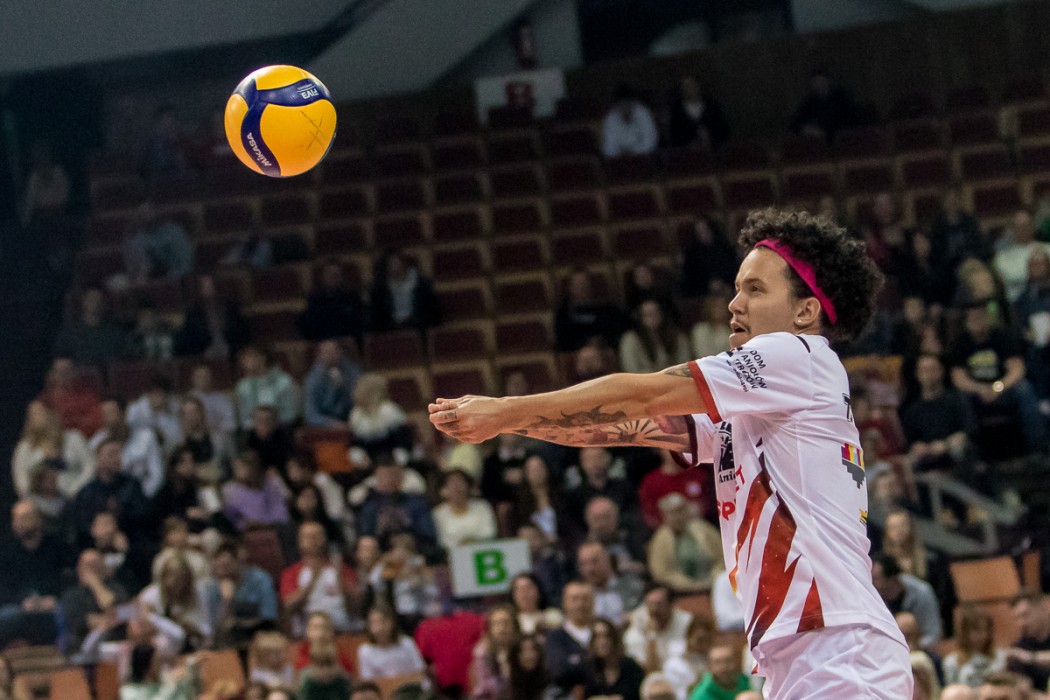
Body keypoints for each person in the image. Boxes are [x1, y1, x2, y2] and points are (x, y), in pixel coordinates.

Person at [429, 208, 910, 698]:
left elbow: (645, 394)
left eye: (755, 290)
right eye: (737, 288)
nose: (734, 304)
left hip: (837, 646)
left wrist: (506, 411)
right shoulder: (762, 404)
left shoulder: (796, 355)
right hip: (806, 648)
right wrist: (508, 423)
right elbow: (620, 425)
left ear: (804, 312)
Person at [950, 302, 1046, 453]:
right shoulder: (961, 344)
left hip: (1004, 390)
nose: (977, 322)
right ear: (966, 322)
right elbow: (958, 378)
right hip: (976, 393)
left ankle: (1038, 446)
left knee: (1024, 389)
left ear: (987, 318)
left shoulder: (1002, 337)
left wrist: (998, 387)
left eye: (980, 317)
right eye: (973, 318)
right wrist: (980, 389)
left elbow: (1017, 369)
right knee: (960, 398)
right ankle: (974, 451)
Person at [0, 501, 71, 646]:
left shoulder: (57, 547)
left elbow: (68, 577)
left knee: (69, 613)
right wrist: (22, 602)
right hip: (17, 605)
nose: (19, 523)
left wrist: (53, 599)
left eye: (24, 517)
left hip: (53, 602)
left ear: (38, 520)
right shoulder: (5, 550)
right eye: (15, 518)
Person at [900, 353, 976, 477]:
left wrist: (945, 444)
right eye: (924, 370)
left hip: (951, 452)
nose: (928, 374)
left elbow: (968, 430)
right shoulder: (913, 409)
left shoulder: (956, 400)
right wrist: (919, 447)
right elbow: (910, 441)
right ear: (917, 374)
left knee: (960, 448)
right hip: (926, 457)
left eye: (932, 369)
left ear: (941, 372)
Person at [280, 522, 358, 636]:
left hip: (344, 632)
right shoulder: (292, 572)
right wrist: (312, 580)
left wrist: (340, 580)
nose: (313, 540)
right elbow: (289, 606)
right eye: (308, 536)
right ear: (300, 541)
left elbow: (357, 606)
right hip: (307, 636)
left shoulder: (341, 569)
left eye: (317, 535)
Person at [13, 399, 95, 499]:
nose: (35, 418)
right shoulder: (25, 446)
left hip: (74, 495)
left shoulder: (74, 438)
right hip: (39, 500)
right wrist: (30, 497)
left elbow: (90, 467)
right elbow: (20, 478)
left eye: (39, 413)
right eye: (32, 415)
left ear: (51, 413)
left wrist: (75, 489)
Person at [74, 438, 151, 540]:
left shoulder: (132, 486)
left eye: (119, 454)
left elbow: (142, 518)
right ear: (98, 458)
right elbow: (82, 524)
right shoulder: (87, 493)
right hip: (94, 542)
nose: (116, 459)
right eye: (111, 454)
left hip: (128, 540)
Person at [207, 542, 279, 649]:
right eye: (219, 567)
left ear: (238, 562)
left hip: (261, 635)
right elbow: (218, 629)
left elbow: (269, 617)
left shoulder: (260, 579)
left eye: (226, 566)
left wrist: (238, 623)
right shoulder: (215, 588)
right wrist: (227, 601)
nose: (222, 572)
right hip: (232, 642)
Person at [648, 494, 723, 594]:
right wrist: (690, 585)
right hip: (679, 593)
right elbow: (661, 573)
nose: (677, 517)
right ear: (664, 516)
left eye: (680, 511)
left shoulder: (704, 530)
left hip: (714, 585)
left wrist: (714, 578)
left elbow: (721, 558)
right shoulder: (660, 539)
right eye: (671, 513)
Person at [60, 549, 129, 657]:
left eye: (95, 565)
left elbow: (122, 615)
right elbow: (80, 622)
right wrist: (108, 619)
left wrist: (96, 585)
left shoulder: (117, 589)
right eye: (87, 566)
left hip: (114, 645)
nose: (91, 571)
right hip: (81, 647)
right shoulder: (71, 595)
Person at [137, 554, 214, 651]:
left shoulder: (198, 593)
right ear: (164, 576)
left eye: (180, 578)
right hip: (161, 646)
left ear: (187, 578)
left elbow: (206, 629)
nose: (175, 581)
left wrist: (194, 630)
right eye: (171, 575)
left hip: (194, 644)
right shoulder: (149, 596)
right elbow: (142, 626)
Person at [871, 556, 943, 649]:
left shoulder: (921, 593)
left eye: (875, 579)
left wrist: (912, 647)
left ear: (891, 578)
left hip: (919, 649)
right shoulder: (870, 596)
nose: (871, 583)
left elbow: (933, 634)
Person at [174, 273, 250, 359]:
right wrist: (203, 353)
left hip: (233, 351)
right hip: (205, 354)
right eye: (204, 286)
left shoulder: (231, 307)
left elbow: (241, 332)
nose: (207, 288)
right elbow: (191, 339)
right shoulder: (194, 313)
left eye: (210, 285)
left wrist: (235, 350)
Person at [624, 585, 693, 673]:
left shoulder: (686, 623)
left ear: (671, 605)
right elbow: (648, 669)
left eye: (659, 604)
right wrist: (652, 635)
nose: (654, 609)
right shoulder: (638, 625)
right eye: (650, 604)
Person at [554, 269, 626, 353]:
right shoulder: (563, 313)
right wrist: (586, 343)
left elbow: (618, 331)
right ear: (571, 288)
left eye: (584, 283)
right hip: (578, 352)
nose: (582, 287)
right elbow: (563, 341)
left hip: (606, 349)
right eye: (578, 284)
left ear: (590, 284)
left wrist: (602, 341)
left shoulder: (607, 309)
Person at [370, 250, 441, 333]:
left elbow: (431, 311)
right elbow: (377, 315)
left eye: (396, 262)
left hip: (418, 327)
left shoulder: (422, 284)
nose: (394, 266)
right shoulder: (380, 289)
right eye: (390, 264)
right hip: (390, 329)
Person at [52, 288, 128, 367]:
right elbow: (61, 361)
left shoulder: (115, 333)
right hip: (79, 373)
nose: (95, 303)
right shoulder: (69, 333)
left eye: (98, 299)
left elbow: (124, 361)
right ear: (83, 301)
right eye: (91, 299)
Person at [123, 203, 195, 284]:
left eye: (150, 211)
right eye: (143, 212)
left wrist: (173, 279)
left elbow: (186, 264)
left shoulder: (175, 232)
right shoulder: (135, 239)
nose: (148, 215)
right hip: (148, 284)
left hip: (179, 281)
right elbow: (136, 271)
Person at [638, 450, 712, 530]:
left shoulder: (699, 476)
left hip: (699, 529)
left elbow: (709, 506)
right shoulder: (651, 482)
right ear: (660, 450)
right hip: (666, 532)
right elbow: (650, 517)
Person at [299, 259, 368, 343]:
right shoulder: (315, 300)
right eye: (329, 274)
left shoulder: (352, 298)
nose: (333, 277)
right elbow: (313, 326)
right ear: (323, 277)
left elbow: (358, 324)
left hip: (349, 342)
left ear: (341, 277)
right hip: (323, 341)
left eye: (336, 274)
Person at [545, 581, 597, 692]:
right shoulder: (556, 637)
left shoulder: (602, 631)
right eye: (574, 599)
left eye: (585, 599)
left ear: (593, 602)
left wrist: (578, 661)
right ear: (564, 603)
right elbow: (560, 671)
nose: (580, 605)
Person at [576, 542, 644, 625]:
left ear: (607, 560)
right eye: (583, 564)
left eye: (594, 562)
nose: (590, 569)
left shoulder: (632, 587)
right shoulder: (579, 597)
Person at [221, 450, 290, 532]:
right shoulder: (229, 490)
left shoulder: (273, 483)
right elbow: (232, 519)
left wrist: (262, 524)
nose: (240, 472)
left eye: (247, 466)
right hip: (248, 533)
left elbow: (282, 515)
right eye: (238, 468)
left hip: (276, 530)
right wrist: (245, 524)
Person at [619, 299, 693, 375]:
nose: (652, 317)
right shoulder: (630, 340)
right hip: (643, 380)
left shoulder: (678, 337)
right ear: (639, 317)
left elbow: (685, 366)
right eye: (647, 315)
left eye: (655, 313)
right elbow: (631, 370)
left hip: (674, 380)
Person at [348, 374, 412, 460]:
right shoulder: (356, 415)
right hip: (369, 462)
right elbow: (357, 444)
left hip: (393, 460)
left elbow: (403, 441)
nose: (354, 393)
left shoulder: (389, 411)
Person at [235, 346, 301, 429]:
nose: (244, 363)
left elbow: (290, 413)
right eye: (243, 359)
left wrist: (269, 424)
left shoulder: (284, 381)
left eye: (248, 358)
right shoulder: (242, 386)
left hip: (283, 428)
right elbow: (244, 418)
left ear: (262, 358)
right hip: (254, 431)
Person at [37, 357, 104, 438]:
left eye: (66, 372)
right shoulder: (44, 400)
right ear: (52, 375)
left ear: (74, 373)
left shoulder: (86, 397)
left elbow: (94, 422)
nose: (63, 376)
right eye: (59, 372)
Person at [433, 468, 497, 551]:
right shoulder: (438, 513)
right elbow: (442, 540)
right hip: (451, 553)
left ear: (468, 486)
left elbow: (489, 532)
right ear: (443, 491)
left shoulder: (482, 506)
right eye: (451, 483)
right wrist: (460, 544)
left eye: (460, 482)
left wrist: (472, 541)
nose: (456, 487)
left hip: (482, 551)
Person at [357, 605, 426, 681]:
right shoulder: (365, 651)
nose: (379, 628)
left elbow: (420, 670)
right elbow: (369, 681)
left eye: (383, 622)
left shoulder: (407, 643)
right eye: (374, 623)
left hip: (410, 685)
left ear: (391, 622)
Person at [994, 209, 1050, 303]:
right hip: (1016, 304)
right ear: (1012, 228)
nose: (1023, 229)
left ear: (1033, 225)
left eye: (1026, 225)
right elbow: (1008, 278)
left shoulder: (1048, 249)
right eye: (1019, 226)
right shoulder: (1002, 257)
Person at [303, 340, 363, 427]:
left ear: (341, 352)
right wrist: (332, 423)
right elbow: (311, 415)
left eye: (335, 351)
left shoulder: (353, 372)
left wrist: (343, 388)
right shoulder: (312, 380)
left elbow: (361, 404)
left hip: (354, 422)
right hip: (326, 426)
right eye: (326, 353)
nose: (331, 356)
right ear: (319, 356)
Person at [584, 617, 646, 700]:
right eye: (597, 637)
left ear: (614, 638)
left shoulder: (631, 667)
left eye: (606, 636)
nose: (602, 641)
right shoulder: (589, 669)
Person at [944, 607, 1007, 688]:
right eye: (977, 630)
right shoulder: (952, 662)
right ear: (965, 632)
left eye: (986, 629)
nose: (983, 635)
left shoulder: (1000, 656)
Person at [790, 69, 858, 141]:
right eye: (815, 82)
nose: (819, 85)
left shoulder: (841, 97)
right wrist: (806, 128)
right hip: (819, 140)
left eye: (822, 81)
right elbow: (795, 122)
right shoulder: (810, 101)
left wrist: (823, 131)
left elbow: (845, 120)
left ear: (829, 81)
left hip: (842, 138)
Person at [680, 217, 737, 299]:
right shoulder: (691, 255)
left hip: (729, 289)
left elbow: (734, 269)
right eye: (699, 232)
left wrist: (726, 286)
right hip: (705, 294)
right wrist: (709, 286)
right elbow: (691, 280)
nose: (703, 234)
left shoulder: (725, 248)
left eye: (705, 230)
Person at [470, 605, 520, 700]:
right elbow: (484, 687)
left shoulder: (522, 648)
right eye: (497, 623)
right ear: (490, 628)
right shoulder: (482, 652)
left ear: (514, 626)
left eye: (506, 623)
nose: (502, 628)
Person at [668, 76, 729, 151]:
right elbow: (674, 134)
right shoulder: (677, 109)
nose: (689, 89)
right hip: (687, 153)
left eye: (692, 85)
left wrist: (710, 137)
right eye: (685, 87)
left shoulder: (712, 106)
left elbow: (723, 130)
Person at [1003, 592, 1050, 691]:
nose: (1021, 623)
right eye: (1017, 618)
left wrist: (1030, 657)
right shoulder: (1019, 648)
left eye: (1025, 615)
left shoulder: (1021, 654)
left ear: (1043, 609)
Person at [662, 613, 716, 699]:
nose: (703, 644)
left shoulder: (716, 662)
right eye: (699, 639)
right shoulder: (674, 665)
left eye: (707, 639)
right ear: (688, 637)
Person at [119, 642, 198, 700]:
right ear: (146, 665)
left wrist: (186, 678)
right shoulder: (129, 691)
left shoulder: (163, 677)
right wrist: (170, 686)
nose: (160, 664)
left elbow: (184, 696)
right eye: (156, 661)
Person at [126, 376, 183, 454]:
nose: (161, 400)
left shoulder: (170, 412)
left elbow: (178, 440)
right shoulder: (134, 410)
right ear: (151, 394)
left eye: (164, 396)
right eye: (158, 395)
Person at [601, 84, 659, 158]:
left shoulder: (643, 113)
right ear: (615, 106)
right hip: (619, 160)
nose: (625, 109)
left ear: (634, 103)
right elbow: (608, 148)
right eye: (621, 105)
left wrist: (632, 152)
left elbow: (651, 142)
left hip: (643, 158)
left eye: (628, 104)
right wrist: (623, 154)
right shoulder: (610, 118)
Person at [187, 363, 237, 439]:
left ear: (211, 378)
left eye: (205, 377)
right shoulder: (189, 399)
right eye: (199, 377)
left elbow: (231, 422)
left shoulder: (223, 399)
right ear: (193, 379)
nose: (203, 380)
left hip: (221, 437)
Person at [506, 634, 560, 700]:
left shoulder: (551, 684)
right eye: (523, 651)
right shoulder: (509, 689)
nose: (529, 656)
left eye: (533, 649)